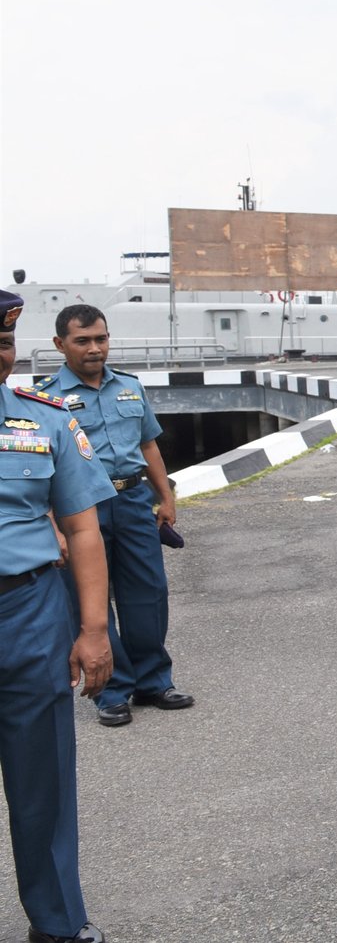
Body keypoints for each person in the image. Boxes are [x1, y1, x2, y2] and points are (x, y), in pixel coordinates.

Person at [0, 290, 115, 943]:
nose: (0, 356)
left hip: (28, 610)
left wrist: (94, 629)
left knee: (41, 779)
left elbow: (83, 528)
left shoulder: (44, 420)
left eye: (3, 344)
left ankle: (57, 923)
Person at [36, 305, 193, 728]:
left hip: (133, 500)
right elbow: (41, 465)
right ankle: (112, 689)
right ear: (60, 344)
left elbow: (148, 446)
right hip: (78, 507)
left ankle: (154, 681)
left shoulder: (129, 387)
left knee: (148, 592)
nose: (94, 348)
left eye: (101, 339)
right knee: (89, 600)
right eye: (83, 341)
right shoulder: (45, 398)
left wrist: (166, 497)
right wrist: (52, 525)